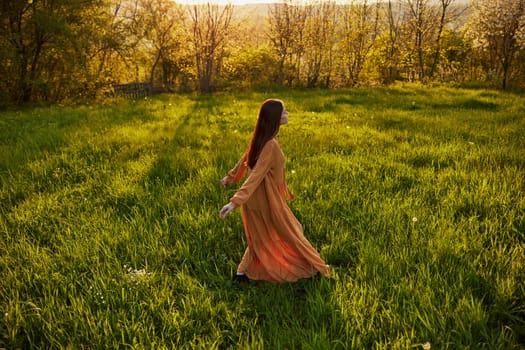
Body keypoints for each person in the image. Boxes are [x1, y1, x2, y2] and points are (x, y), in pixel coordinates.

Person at [219, 99, 330, 283]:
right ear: (274, 118)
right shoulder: (270, 145)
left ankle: (240, 274)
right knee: (292, 231)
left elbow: (245, 159)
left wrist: (231, 178)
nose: (287, 113)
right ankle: (317, 266)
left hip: (255, 201)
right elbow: (255, 175)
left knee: (259, 236)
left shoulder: (261, 139)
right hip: (266, 199)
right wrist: (235, 201)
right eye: (284, 111)